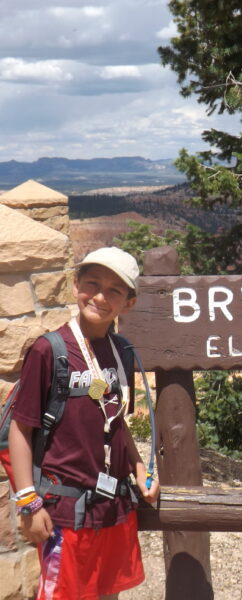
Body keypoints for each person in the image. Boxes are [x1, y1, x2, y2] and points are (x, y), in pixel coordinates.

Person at [8, 246, 160, 600]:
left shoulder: (121, 351)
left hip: (113, 510)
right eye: (92, 283)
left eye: (115, 291)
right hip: (64, 513)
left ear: (129, 302)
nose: (101, 297)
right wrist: (28, 503)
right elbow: (21, 428)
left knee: (108, 595)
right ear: (75, 285)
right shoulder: (50, 351)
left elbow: (116, 421)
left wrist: (139, 468)